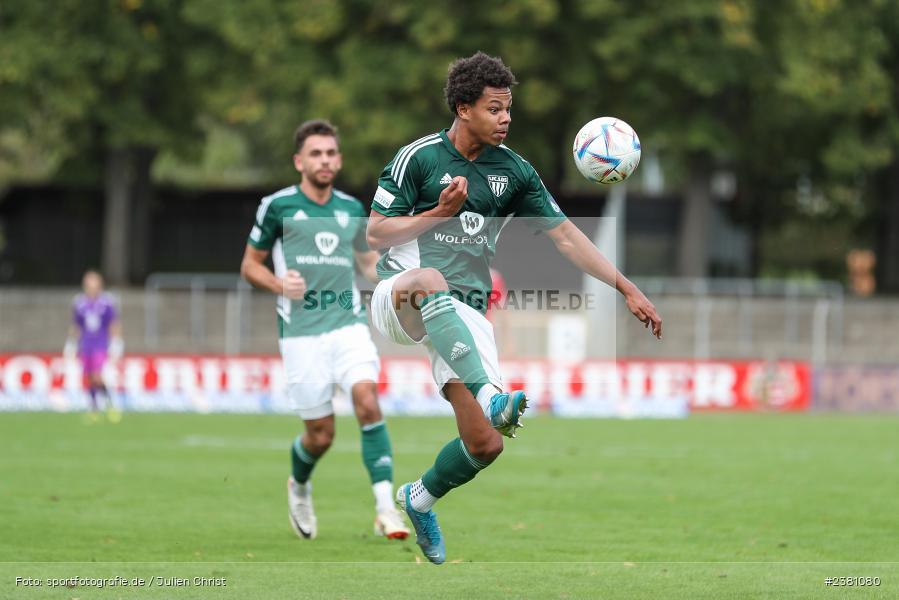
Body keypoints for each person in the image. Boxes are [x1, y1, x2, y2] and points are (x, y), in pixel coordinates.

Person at [366, 52, 662, 564]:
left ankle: (420, 498)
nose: (506, 118)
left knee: (485, 445)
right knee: (431, 280)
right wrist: (438, 213)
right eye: (494, 109)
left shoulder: (516, 172)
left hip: (464, 315)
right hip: (402, 295)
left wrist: (626, 287)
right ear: (463, 108)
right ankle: (489, 393)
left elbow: (567, 237)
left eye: (509, 109)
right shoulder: (419, 158)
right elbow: (375, 232)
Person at [240, 119, 409, 542]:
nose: (325, 160)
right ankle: (298, 485)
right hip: (300, 333)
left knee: (367, 400)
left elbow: (368, 264)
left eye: (331, 153)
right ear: (299, 161)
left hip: (347, 323)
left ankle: (386, 508)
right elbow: (249, 266)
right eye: (316, 153)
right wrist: (280, 285)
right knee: (321, 436)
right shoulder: (276, 206)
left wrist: (397, 279)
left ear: (340, 160)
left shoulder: (352, 210)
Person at [64, 269, 123, 422]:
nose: (91, 286)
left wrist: (116, 342)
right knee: (90, 377)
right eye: (89, 283)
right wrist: (71, 344)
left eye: (94, 282)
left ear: (99, 284)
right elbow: (76, 325)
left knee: (97, 376)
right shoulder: (79, 303)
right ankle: (94, 408)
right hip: (85, 344)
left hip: (101, 344)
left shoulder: (107, 302)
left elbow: (113, 323)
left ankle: (111, 403)